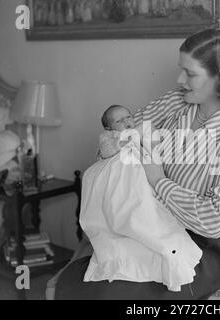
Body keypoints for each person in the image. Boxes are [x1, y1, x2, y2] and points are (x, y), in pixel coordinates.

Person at [54, 28, 220, 300]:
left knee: (120, 295)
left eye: (190, 73)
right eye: (181, 70)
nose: (179, 79)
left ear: (219, 77)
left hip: (207, 247)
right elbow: (117, 137)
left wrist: (158, 181)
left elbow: (213, 221)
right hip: (152, 226)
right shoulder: (176, 102)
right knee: (82, 285)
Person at [79, 104, 203, 292]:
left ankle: (163, 249)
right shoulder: (109, 138)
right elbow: (108, 150)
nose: (126, 121)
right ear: (109, 128)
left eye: (128, 117)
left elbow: (153, 143)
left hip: (139, 175)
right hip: (120, 172)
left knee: (149, 209)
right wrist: (132, 135)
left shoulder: (140, 134)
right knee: (126, 208)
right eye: (118, 121)